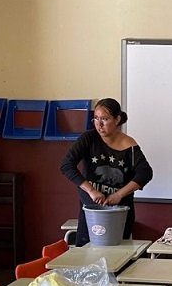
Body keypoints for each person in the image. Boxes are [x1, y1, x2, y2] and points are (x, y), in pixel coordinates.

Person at [60, 98, 153, 246]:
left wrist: (119, 195)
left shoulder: (130, 146)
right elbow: (66, 165)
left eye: (104, 119)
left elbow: (146, 173)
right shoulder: (88, 138)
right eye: (96, 119)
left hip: (119, 213)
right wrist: (91, 190)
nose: (99, 124)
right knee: (85, 255)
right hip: (91, 212)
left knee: (117, 259)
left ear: (117, 120)